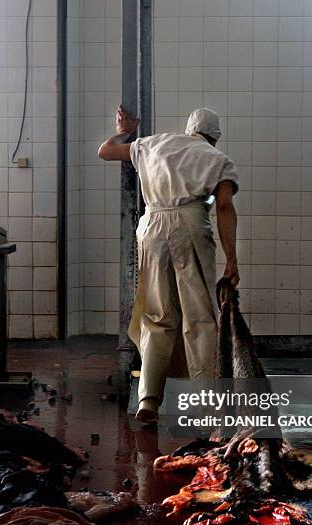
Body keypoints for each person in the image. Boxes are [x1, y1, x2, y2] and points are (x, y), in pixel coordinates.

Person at [98, 107, 240, 424]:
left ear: (189, 128)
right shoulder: (216, 158)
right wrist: (231, 260)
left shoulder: (153, 143)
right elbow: (225, 206)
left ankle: (148, 400)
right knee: (200, 318)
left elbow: (105, 151)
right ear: (214, 136)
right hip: (190, 223)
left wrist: (125, 129)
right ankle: (209, 407)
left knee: (156, 316)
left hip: (151, 225)